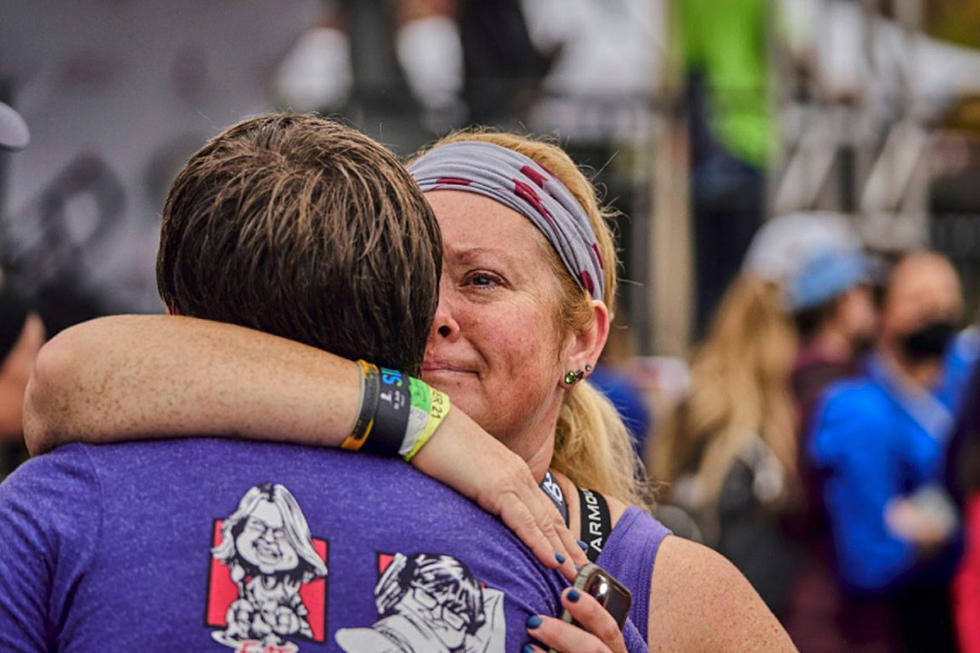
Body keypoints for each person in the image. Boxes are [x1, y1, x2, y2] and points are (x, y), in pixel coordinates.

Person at [26, 129, 794, 651]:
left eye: (482, 280)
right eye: (410, 282)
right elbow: (71, 374)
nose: (437, 317)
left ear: (584, 337)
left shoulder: (673, 583)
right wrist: (427, 424)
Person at [810, 251, 976, 651]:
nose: (936, 308)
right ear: (882, 313)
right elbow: (869, 554)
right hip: (887, 628)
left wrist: (930, 525)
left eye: (946, 295)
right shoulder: (856, 407)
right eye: (918, 299)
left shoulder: (966, 387)